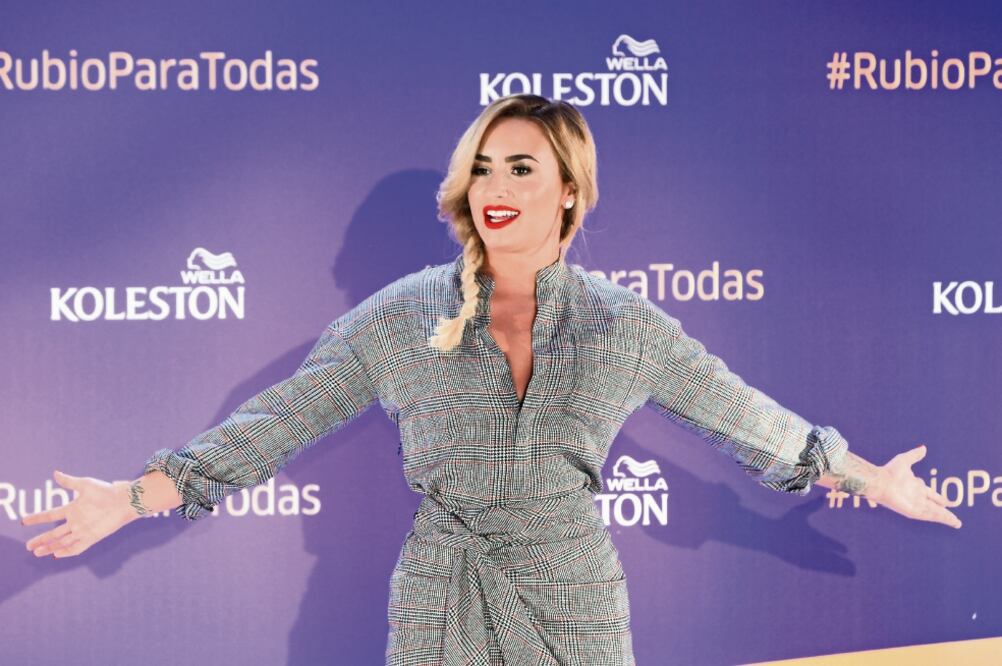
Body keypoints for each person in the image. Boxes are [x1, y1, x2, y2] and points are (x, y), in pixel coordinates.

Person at [22, 94, 962, 664]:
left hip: (575, 602)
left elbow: (746, 418)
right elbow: (274, 423)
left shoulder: (622, 327)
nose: (495, 184)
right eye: (481, 167)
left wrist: (867, 475)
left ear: (569, 191)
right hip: (442, 599)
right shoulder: (399, 316)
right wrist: (134, 496)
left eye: (522, 165)